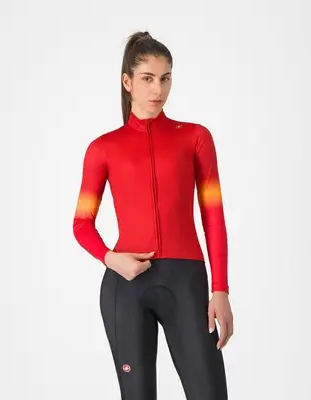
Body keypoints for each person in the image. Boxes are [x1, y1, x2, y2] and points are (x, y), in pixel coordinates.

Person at [72, 30, 234, 400]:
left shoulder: (195, 138)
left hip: (186, 284)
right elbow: (81, 223)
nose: (157, 89)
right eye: (147, 78)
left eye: (165, 78)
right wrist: (111, 258)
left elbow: (213, 216)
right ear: (127, 82)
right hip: (125, 288)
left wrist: (220, 289)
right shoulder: (103, 149)